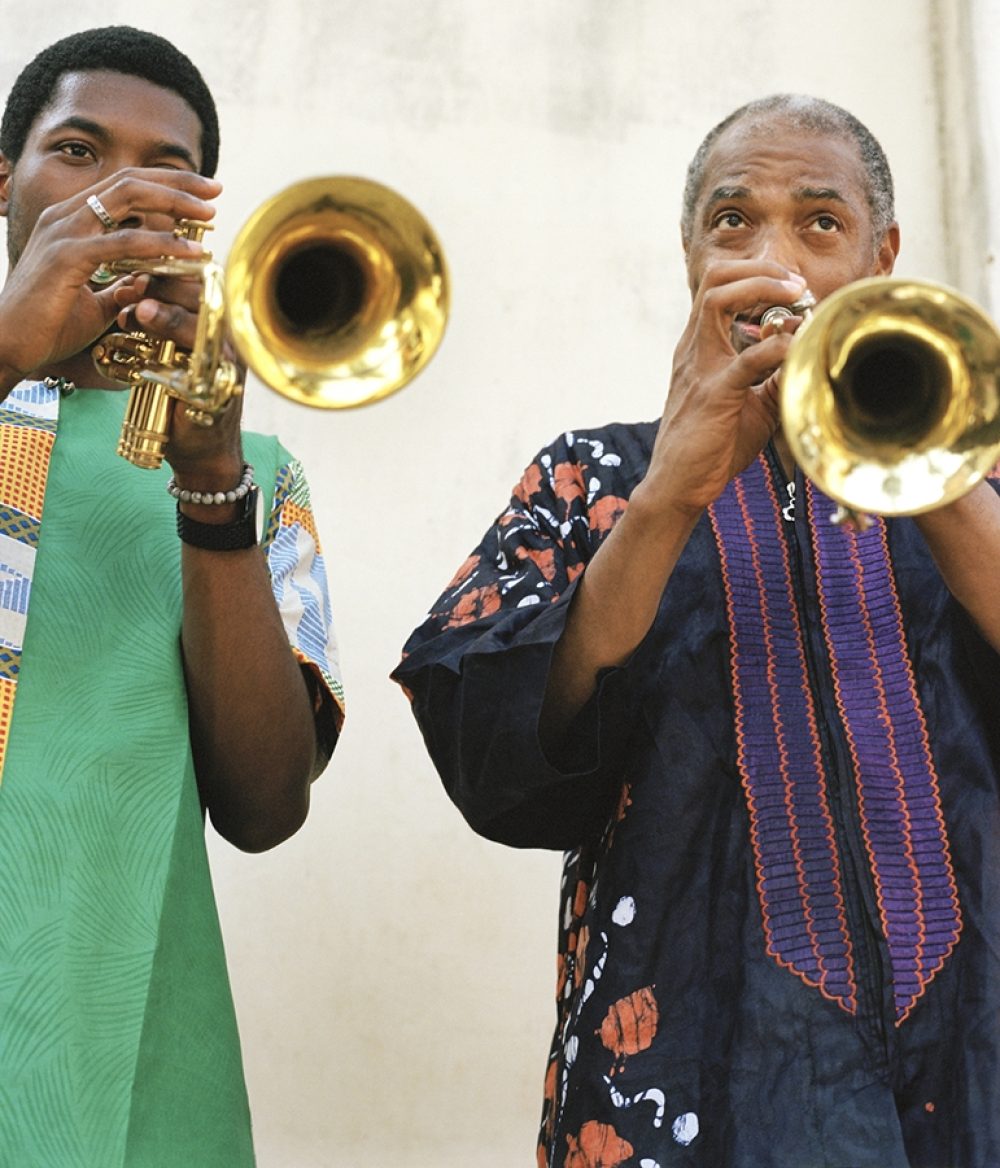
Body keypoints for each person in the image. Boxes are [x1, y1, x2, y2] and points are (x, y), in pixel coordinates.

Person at [393, 95, 1000, 1168]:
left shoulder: (974, 467)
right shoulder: (594, 474)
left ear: (881, 253)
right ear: (689, 255)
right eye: (733, 222)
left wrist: (925, 452)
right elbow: (492, 744)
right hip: (687, 1075)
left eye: (820, 221)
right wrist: (669, 491)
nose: (776, 259)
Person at [0, 26, 344, 1166]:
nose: (120, 196)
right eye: (79, 151)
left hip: (134, 1029)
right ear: (6, 181)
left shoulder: (254, 472)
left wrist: (209, 482)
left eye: (164, 172)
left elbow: (262, 804)